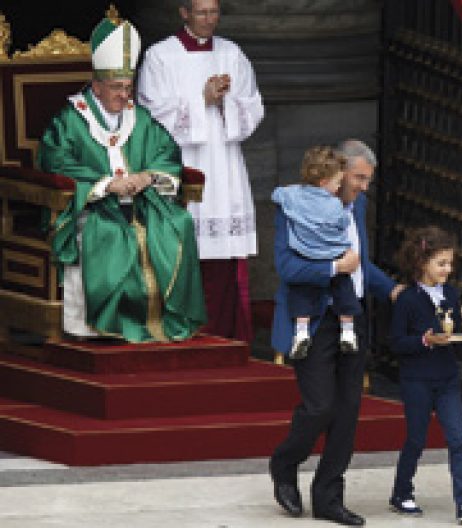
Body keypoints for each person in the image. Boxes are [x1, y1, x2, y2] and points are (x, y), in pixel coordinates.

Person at [38, 16, 206, 342]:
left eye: (128, 87)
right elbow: (55, 161)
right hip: (95, 207)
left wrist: (148, 176)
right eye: (116, 88)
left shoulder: (139, 117)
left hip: (142, 202)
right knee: (113, 234)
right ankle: (105, 323)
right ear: (96, 85)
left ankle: (163, 321)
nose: (124, 95)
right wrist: (105, 185)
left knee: (179, 222)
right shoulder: (70, 120)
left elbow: (166, 151)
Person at [269, 140, 403, 526]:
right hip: (310, 320)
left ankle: (329, 497)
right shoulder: (292, 205)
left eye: (367, 180)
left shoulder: (354, 204)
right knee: (319, 406)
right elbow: (287, 267)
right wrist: (333, 270)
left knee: (347, 412)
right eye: (359, 178)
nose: (364, 187)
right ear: (338, 172)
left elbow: (358, 264)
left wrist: (390, 289)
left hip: (352, 315)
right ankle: (284, 463)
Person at [137, 0, 264, 342]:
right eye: (202, 13)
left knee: (223, 256)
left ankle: (227, 334)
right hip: (182, 162)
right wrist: (201, 99)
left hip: (224, 163)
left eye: (214, 13)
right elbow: (150, 114)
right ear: (184, 13)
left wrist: (226, 102)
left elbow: (253, 107)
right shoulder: (160, 56)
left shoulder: (232, 53)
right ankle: (179, 330)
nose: (209, 20)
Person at [388, 226, 462, 525]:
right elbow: (396, 343)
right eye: (442, 263)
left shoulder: (451, 293)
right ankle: (401, 492)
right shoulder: (407, 299)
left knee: (457, 439)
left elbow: (455, 330)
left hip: (446, 378)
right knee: (416, 439)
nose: (448, 269)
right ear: (422, 263)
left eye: (449, 263)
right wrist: (424, 340)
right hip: (416, 380)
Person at [271, 146, 361, 358]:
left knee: (302, 295)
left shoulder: (291, 197)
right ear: (324, 183)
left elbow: (277, 194)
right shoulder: (334, 205)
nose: (340, 187)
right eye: (338, 182)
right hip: (331, 257)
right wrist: (337, 264)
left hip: (304, 251)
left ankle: (301, 333)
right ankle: (348, 332)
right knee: (344, 288)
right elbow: (286, 268)